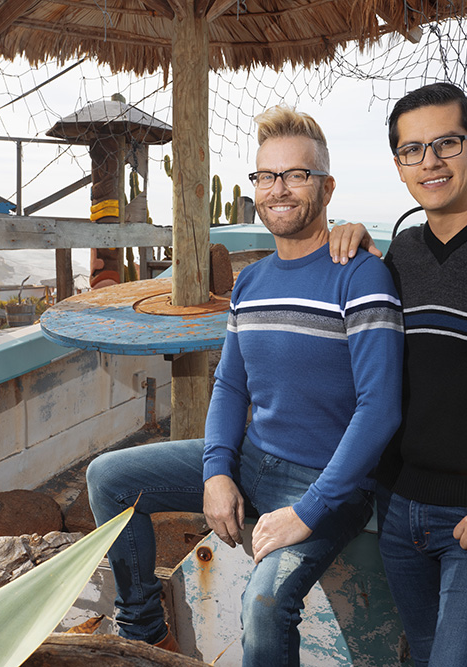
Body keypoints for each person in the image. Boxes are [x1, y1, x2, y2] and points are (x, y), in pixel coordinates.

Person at [86, 106, 403, 667]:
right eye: (265, 176)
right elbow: (230, 386)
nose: (278, 189)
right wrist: (216, 474)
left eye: (295, 175)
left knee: (263, 603)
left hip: (328, 484)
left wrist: (309, 510)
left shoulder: (361, 274)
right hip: (255, 459)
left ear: (326, 187)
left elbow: (380, 409)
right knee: (109, 480)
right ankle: (146, 634)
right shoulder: (252, 283)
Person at [329, 82, 467, 667]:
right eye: (411, 149)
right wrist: (353, 240)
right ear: (399, 165)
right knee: (423, 653)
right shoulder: (401, 252)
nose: (429, 161)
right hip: (402, 510)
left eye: (447, 143)